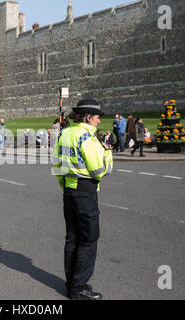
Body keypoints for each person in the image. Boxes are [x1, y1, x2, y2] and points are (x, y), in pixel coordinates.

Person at [52, 98, 113, 300]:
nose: (98, 121)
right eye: (97, 117)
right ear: (88, 117)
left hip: (69, 190)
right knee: (88, 239)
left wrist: (65, 186)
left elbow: (57, 164)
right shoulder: (87, 137)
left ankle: (71, 284)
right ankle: (79, 289)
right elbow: (99, 171)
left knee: (72, 238)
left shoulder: (65, 133)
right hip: (85, 191)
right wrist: (107, 153)